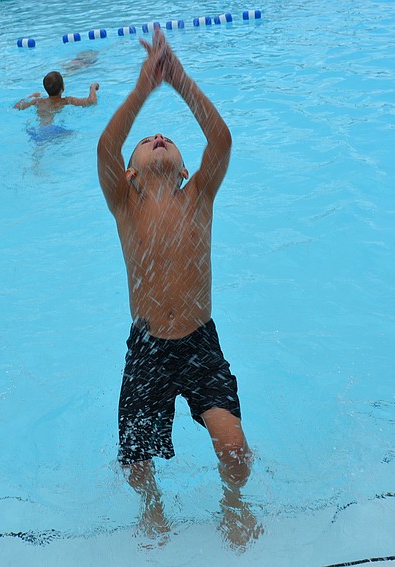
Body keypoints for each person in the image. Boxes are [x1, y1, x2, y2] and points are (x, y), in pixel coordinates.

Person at [96, 28, 261, 549]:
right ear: (129, 173)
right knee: (136, 464)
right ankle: (153, 508)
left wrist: (180, 80)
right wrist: (143, 88)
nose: (157, 135)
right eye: (145, 141)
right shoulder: (125, 205)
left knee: (234, 450)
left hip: (198, 342)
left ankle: (233, 504)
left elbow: (222, 140)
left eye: (165, 137)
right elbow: (106, 144)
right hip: (147, 347)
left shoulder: (199, 196)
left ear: (188, 168)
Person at [14, 71, 98, 127]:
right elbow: (91, 101)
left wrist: (32, 96)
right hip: (54, 130)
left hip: (36, 130)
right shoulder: (67, 100)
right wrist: (92, 87)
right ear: (63, 87)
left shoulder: (38, 101)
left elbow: (17, 106)